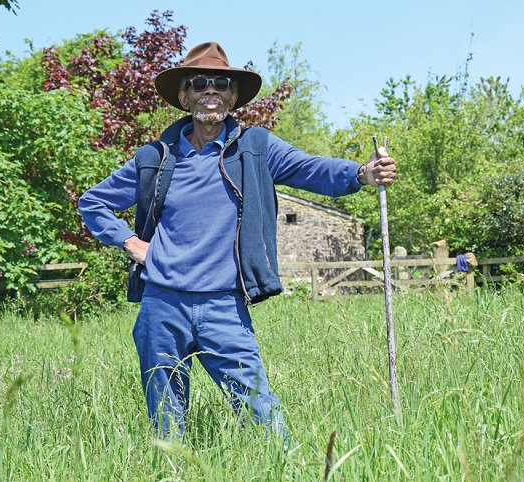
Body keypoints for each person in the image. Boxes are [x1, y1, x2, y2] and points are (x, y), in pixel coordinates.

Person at [78, 42, 396, 440]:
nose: (210, 91)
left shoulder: (255, 149)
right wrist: (129, 242)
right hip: (162, 304)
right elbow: (92, 202)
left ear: (232, 95)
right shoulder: (155, 158)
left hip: (223, 305)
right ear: (183, 96)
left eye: (220, 84)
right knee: (166, 415)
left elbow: (313, 169)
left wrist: (362, 173)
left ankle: (287, 470)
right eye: (199, 83)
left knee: (260, 411)